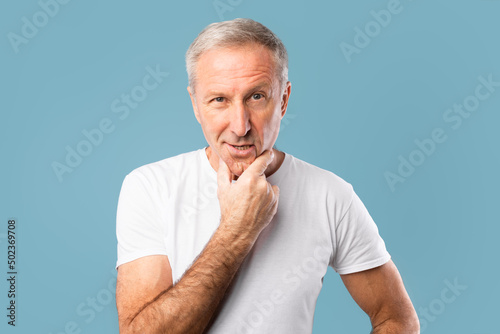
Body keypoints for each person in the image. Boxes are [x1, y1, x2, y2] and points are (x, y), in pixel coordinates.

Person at [114, 18, 419, 333]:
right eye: (219, 100)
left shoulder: (330, 194)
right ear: (195, 104)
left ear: (284, 99)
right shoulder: (150, 187)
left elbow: (396, 318)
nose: (240, 126)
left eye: (256, 97)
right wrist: (236, 232)